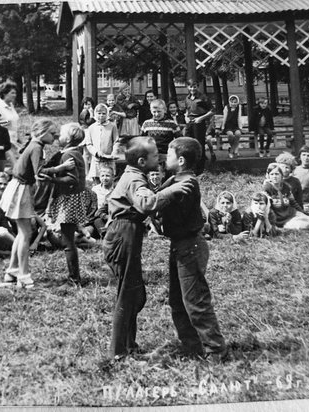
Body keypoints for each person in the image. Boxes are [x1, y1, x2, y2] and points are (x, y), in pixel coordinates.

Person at [102, 136, 193, 360]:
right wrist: (175, 190)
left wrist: (166, 186)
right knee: (127, 295)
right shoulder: (135, 180)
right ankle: (119, 353)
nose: (159, 157)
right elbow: (147, 203)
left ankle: (128, 345)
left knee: (133, 293)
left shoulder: (135, 175)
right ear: (142, 161)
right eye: (154, 155)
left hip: (127, 233)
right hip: (124, 233)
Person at [159, 136, 228, 361]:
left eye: (168, 155)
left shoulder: (186, 183)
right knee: (178, 300)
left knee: (195, 301)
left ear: (180, 160)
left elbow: (159, 199)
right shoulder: (177, 179)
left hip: (190, 246)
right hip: (180, 246)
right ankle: (191, 345)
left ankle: (215, 349)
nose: (164, 159)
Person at [0, 119, 74, 289]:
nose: (55, 138)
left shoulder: (34, 145)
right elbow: (39, 172)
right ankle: (23, 275)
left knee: (21, 233)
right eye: (52, 134)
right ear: (42, 132)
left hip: (18, 187)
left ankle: (11, 271)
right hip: (21, 189)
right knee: (25, 234)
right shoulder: (37, 147)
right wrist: (60, 167)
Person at [45, 123, 88, 284]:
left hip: (69, 200)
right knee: (67, 238)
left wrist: (53, 179)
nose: (58, 136)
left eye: (61, 134)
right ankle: (74, 275)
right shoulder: (74, 152)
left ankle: (74, 277)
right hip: (74, 199)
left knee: (68, 241)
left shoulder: (67, 156)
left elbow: (72, 179)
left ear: (69, 139)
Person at [263, 163, 309, 230]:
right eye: (272, 174)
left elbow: (293, 202)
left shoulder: (286, 186)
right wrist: (272, 222)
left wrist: (303, 213)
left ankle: (300, 219)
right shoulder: (267, 188)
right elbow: (267, 208)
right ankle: (290, 224)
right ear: (269, 176)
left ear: (281, 175)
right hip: (280, 218)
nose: (274, 176)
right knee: (306, 226)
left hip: (291, 212)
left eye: (277, 174)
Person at [183, 79, 214, 174]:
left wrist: (201, 118)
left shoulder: (203, 97)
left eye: (194, 86)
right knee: (188, 144)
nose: (192, 89)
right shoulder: (187, 98)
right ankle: (190, 167)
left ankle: (200, 169)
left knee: (198, 144)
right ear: (188, 87)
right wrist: (186, 117)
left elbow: (212, 111)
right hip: (190, 122)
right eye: (190, 86)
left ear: (197, 86)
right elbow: (187, 110)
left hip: (199, 122)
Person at [84, 103, 119, 183]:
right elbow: (89, 144)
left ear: (107, 114)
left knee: (108, 180)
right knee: (97, 181)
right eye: (99, 113)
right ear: (95, 114)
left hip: (109, 159)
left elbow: (116, 141)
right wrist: (96, 153)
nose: (101, 115)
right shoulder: (91, 127)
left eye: (104, 113)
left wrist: (114, 152)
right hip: (97, 159)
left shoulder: (112, 126)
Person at [293, 145, 309, 215]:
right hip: (296, 202)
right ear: (299, 157)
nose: (306, 158)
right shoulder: (294, 170)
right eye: (303, 155)